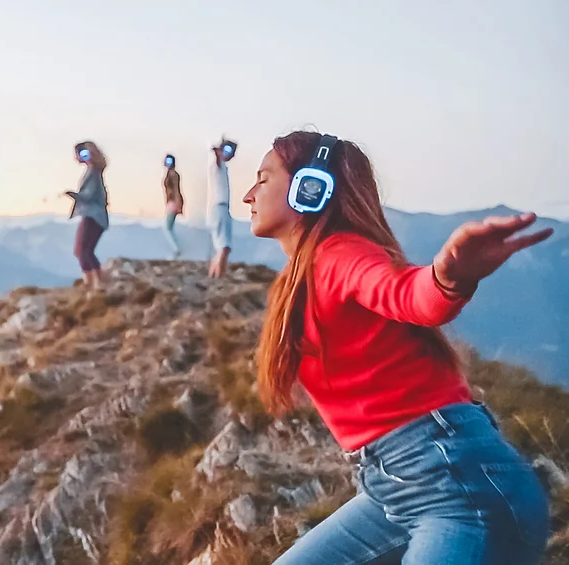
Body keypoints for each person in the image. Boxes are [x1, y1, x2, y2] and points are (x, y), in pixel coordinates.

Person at [242, 131, 553, 564]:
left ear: (309, 187)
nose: (247, 195)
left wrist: (448, 279)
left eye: (262, 179)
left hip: (460, 491)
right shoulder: (301, 275)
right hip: (392, 492)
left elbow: (407, 293)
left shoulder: (340, 254)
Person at [66, 141, 110, 290]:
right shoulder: (95, 172)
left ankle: (91, 283)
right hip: (97, 216)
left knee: (81, 250)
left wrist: (74, 195)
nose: (77, 158)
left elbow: (89, 195)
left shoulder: (92, 172)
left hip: (92, 215)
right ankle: (98, 281)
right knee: (86, 250)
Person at [207, 138, 236, 277]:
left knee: (222, 248)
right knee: (224, 248)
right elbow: (218, 159)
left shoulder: (223, 167)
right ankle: (219, 277)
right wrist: (217, 153)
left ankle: (214, 275)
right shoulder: (217, 166)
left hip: (221, 208)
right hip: (219, 208)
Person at [162, 154, 184, 259]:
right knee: (169, 227)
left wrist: (179, 204)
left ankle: (176, 249)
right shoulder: (170, 174)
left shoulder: (173, 175)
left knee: (167, 228)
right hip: (172, 202)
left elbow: (176, 190)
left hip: (173, 202)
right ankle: (176, 248)